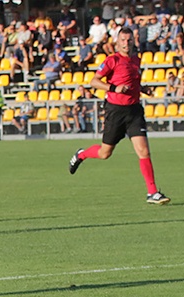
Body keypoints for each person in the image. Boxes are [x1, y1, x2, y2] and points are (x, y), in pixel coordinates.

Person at [68, 27, 171, 205]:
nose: (126, 43)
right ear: (117, 41)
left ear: (133, 41)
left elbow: (133, 82)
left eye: (129, 40)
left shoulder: (136, 60)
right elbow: (94, 81)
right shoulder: (112, 60)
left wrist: (143, 89)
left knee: (144, 151)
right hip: (115, 111)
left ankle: (152, 192)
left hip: (134, 111)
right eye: (123, 40)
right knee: (105, 153)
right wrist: (114, 88)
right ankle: (82, 154)